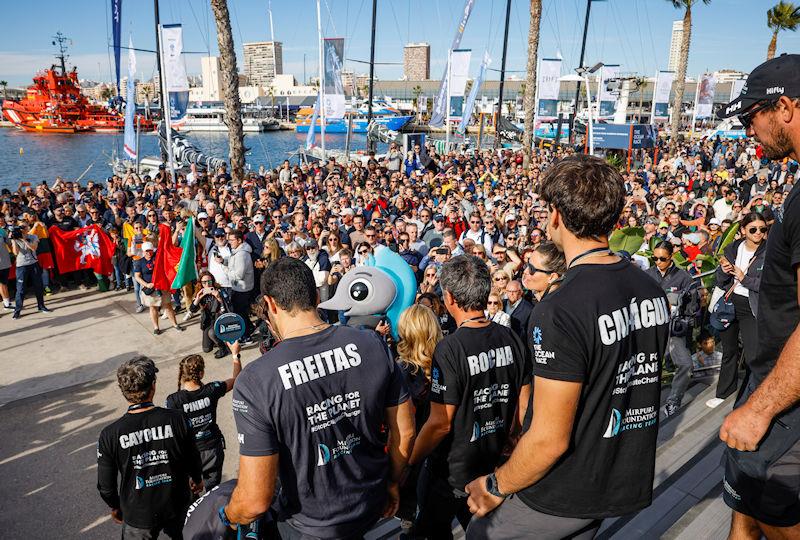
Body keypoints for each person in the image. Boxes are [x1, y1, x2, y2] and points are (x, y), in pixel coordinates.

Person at [465, 154, 669, 540]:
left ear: (556, 215)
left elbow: (549, 438)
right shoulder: (650, 289)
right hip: (616, 477)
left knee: (482, 533)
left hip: (563, 489)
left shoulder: (560, 310)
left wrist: (494, 486)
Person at [221, 257, 416, 538]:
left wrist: (226, 515)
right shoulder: (372, 343)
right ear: (315, 296)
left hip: (309, 524)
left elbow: (254, 498)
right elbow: (406, 432)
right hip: (370, 502)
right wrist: (393, 482)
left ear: (271, 305)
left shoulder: (255, 380)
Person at [716, 54, 800, 538]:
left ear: (784, 107)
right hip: (773, 379)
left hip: (785, 400)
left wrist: (762, 407)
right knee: (747, 513)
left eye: (752, 118)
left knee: (778, 518)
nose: (749, 131)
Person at [407, 255, 531, 539]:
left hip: (452, 472)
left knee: (426, 531)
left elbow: (441, 423)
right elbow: (524, 407)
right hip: (496, 463)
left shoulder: (449, 349)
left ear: (449, 297)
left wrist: (410, 461)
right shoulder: (512, 338)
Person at [97, 356, 204, 539]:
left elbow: (106, 486)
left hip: (137, 513)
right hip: (176, 504)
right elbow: (192, 456)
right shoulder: (177, 419)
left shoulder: (109, 434)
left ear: (123, 390)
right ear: (153, 385)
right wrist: (197, 478)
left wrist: (116, 506)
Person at [707, 212, 767, 409]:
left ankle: (753, 396)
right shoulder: (733, 247)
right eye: (753, 229)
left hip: (752, 306)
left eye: (763, 229)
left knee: (752, 354)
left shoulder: (769, 252)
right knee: (729, 350)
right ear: (742, 231)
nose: (758, 233)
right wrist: (723, 272)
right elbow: (721, 280)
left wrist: (744, 279)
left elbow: (769, 284)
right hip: (730, 302)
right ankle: (724, 392)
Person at [395, 304, 443, 528]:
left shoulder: (401, 372)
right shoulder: (446, 362)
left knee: (415, 525)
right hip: (441, 458)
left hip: (412, 462)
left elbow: (402, 429)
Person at [165, 354, 241, 491]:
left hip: (188, 453)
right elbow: (236, 380)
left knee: (190, 493)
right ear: (201, 373)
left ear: (182, 374)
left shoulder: (173, 400)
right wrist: (236, 355)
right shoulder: (212, 390)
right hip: (212, 449)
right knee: (213, 491)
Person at [646, 241, 696, 417]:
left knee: (686, 364)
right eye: (655, 258)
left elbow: (693, 307)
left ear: (671, 257)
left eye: (662, 258)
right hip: (650, 330)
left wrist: (680, 309)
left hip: (674, 330)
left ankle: (674, 400)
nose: (658, 262)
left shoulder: (684, 277)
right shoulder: (646, 275)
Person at [133, 242, 183, 335]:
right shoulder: (139, 262)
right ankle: (156, 327)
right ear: (143, 251)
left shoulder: (158, 258)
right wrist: (146, 284)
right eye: (146, 251)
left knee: (168, 306)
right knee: (153, 308)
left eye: (150, 250)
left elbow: (167, 245)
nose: (149, 252)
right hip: (151, 289)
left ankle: (175, 324)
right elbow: (137, 276)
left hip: (162, 287)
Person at [215, 230, 254, 339]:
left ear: (239, 240)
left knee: (239, 313)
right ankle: (250, 328)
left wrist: (225, 269)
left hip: (242, 289)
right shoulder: (238, 251)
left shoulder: (242, 254)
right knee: (241, 312)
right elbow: (234, 263)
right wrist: (224, 261)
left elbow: (239, 275)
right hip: (239, 288)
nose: (229, 242)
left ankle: (246, 336)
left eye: (232, 240)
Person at [10, 221, 51, 319]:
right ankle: (17, 310)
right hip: (21, 266)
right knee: (20, 289)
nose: (22, 229)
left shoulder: (33, 237)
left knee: (38, 285)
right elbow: (15, 252)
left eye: (24, 226)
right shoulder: (16, 238)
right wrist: (14, 240)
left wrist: (23, 240)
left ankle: (41, 306)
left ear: (28, 227)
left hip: (33, 264)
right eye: (21, 227)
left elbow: (33, 248)